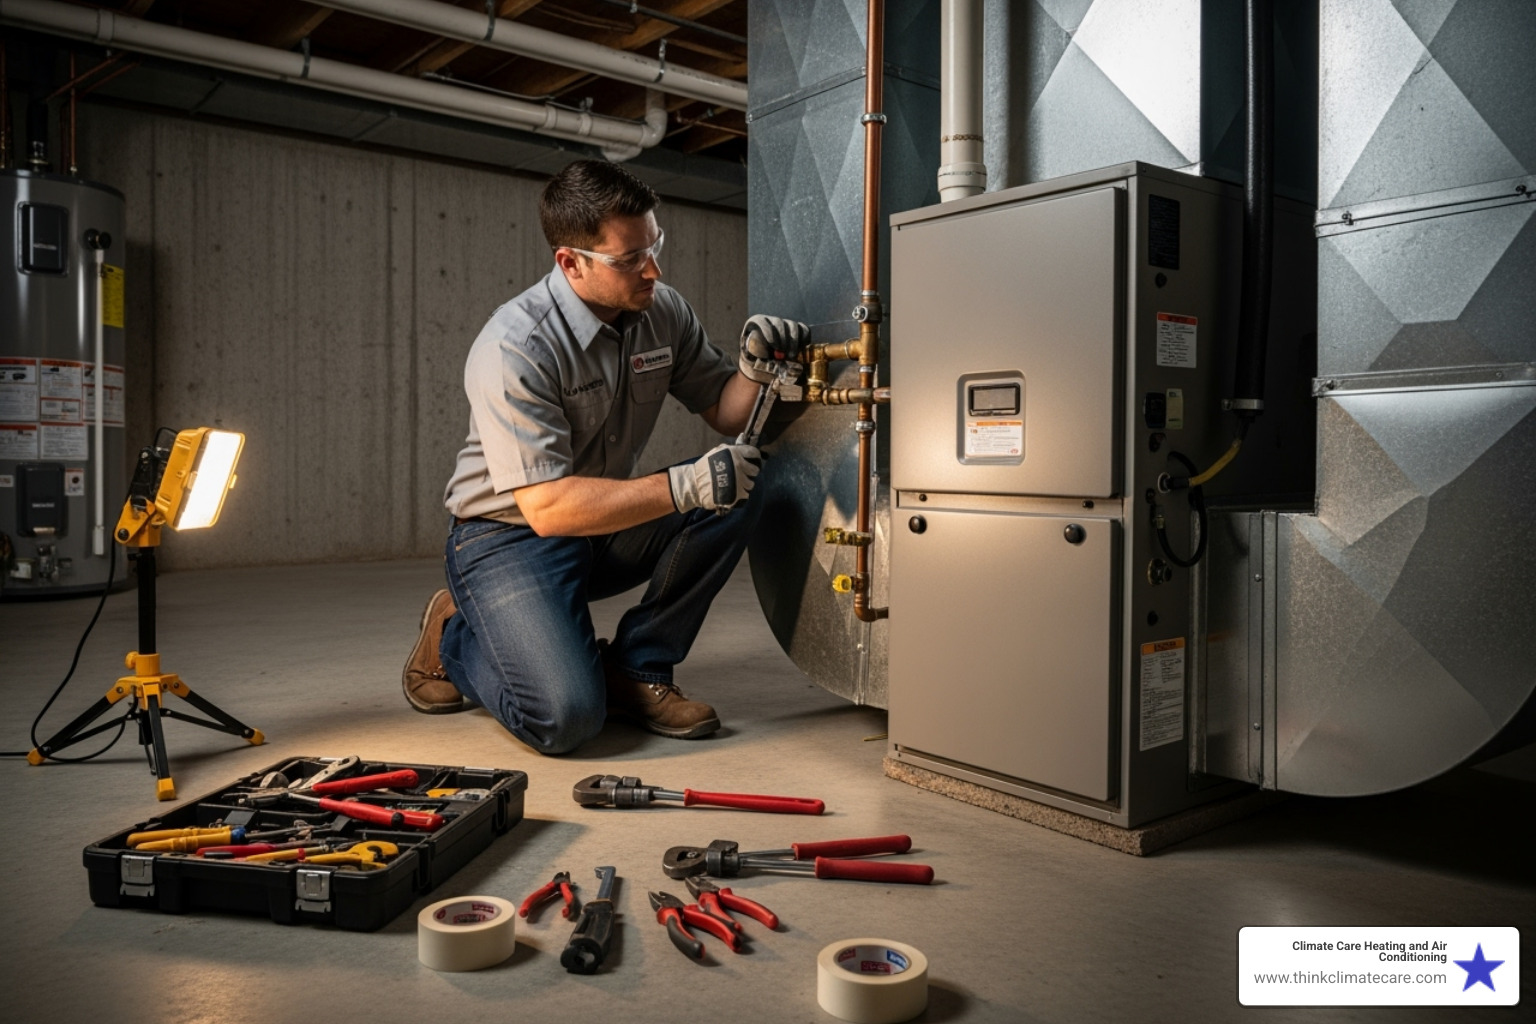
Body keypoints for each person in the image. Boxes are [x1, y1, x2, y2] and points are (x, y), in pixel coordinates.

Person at [400, 159, 807, 755]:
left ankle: (638, 669)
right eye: (629, 260)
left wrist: (755, 369)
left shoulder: (661, 310)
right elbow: (547, 510)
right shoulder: (515, 347)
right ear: (571, 262)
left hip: (600, 523)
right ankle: (456, 630)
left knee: (741, 487)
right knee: (564, 718)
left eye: (654, 245)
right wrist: (683, 486)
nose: (653, 269)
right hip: (506, 538)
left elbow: (727, 411)